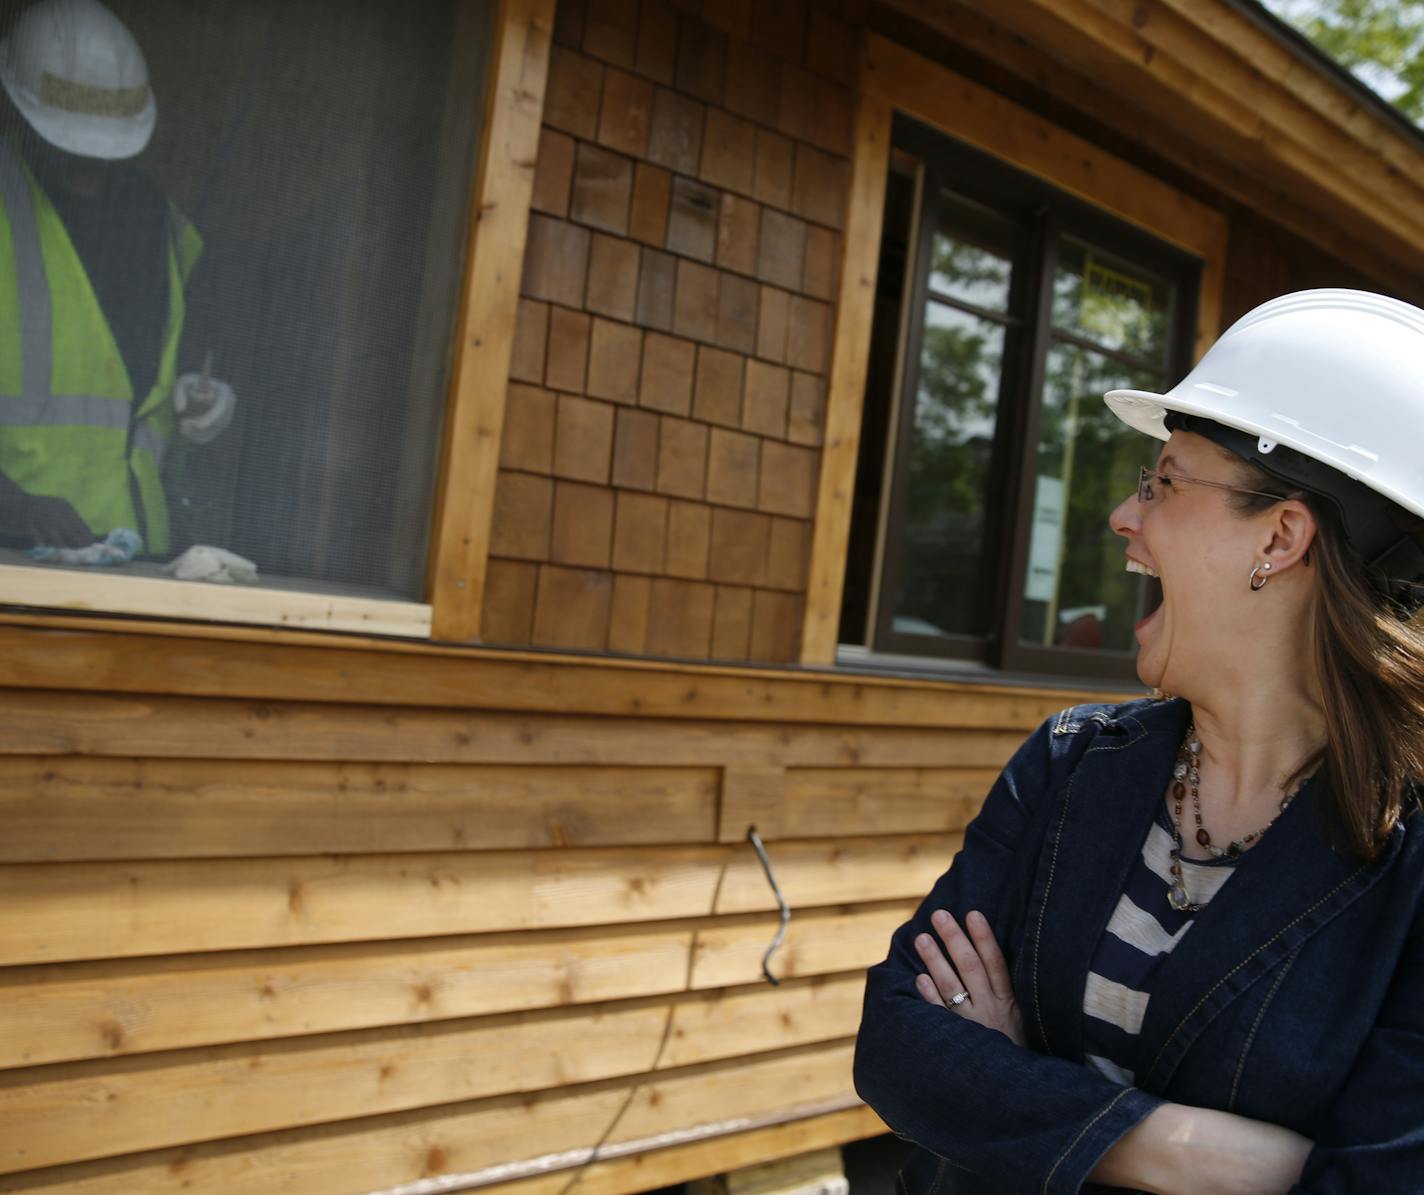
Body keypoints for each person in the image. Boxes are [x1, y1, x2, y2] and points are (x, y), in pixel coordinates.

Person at [854, 288, 1424, 1193]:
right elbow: (897, 1039)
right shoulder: (1072, 760)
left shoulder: (1411, 862)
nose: (1124, 514)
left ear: (1279, 537)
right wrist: (1193, 1150)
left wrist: (1015, 1088)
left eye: (1163, 481)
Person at [0, 0, 234, 556]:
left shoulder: (157, 222)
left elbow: (149, 392)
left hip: (138, 562)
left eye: (101, 152)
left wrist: (200, 406)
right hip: (14, 563)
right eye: (68, 145)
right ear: (19, 114)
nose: (87, 166)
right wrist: (12, 505)